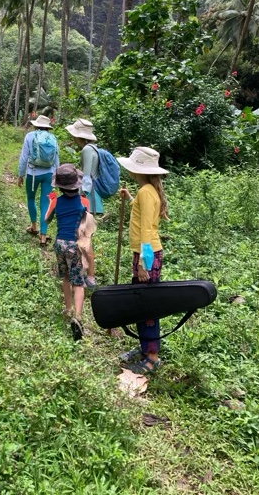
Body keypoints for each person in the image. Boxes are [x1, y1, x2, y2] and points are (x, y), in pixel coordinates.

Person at [117, 146, 169, 375]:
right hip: (144, 253)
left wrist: (142, 264)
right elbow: (141, 215)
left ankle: (152, 357)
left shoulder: (147, 192)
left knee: (147, 306)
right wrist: (131, 198)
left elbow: (147, 229)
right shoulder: (146, 191)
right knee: (141, 303)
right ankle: (145, 347)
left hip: (147, 254)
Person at [45, 164, 92, 341]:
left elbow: (46, 220)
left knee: (66, 277)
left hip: (59, 244)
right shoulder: (83, 202)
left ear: (60, 187)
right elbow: (88, 224)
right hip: (75, 244)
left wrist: (51, 203)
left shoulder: (57, 201)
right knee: (78, 281)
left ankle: (68, 309)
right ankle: (78, 317)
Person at [65, 118, 101, 287]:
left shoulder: (87, 150)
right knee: (86, 237)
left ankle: (88, 275)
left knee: (84, 238)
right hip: (93, 196)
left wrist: (79, 200)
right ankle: (89, 275)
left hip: (87, 196)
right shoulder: (93, 148)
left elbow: (86, 178)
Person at [17, 114, 59, 246]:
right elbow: (56, 160)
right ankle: (43, 235)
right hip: (49, 174)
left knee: (31, 198)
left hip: (33, 173)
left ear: (36, 125)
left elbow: (24, 157)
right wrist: (56, 176)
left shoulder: (30, 136)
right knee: (45, 203)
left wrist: (20, 175)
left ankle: (34, 227)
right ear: (48, 127)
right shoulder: (53, 138)